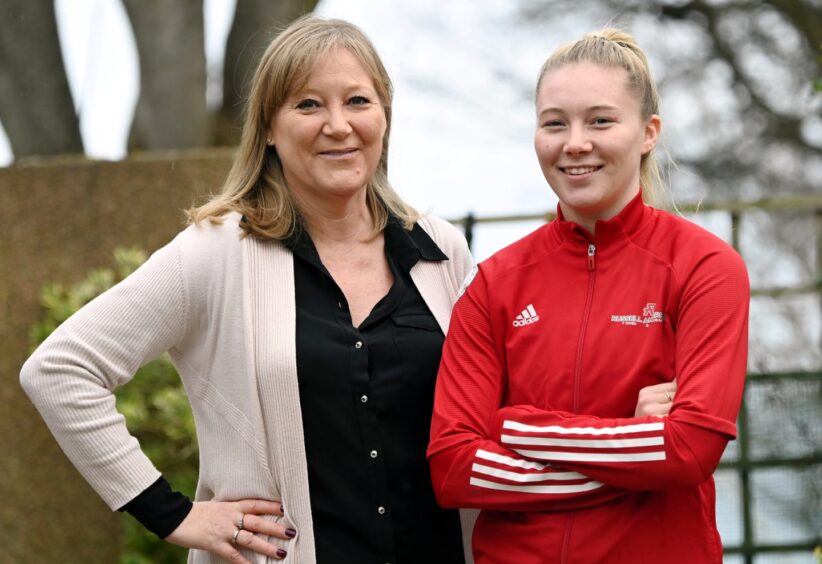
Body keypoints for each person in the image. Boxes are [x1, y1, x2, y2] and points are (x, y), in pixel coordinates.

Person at [21, 16, 474, 564]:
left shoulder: (441, 251)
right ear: (266, 128)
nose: (338, 125)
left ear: (384, 116)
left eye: (358, 101)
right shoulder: (218, 252)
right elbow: (60, 369)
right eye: (308, 105)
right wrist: (174, 514)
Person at [428, 28, 749, 563]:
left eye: (600, 120)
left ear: (648, 133)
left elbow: (689, 450)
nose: (575, 143)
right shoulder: (494, 283)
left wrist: (513, 424)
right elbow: (453, 467)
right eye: (555, 123)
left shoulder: (705, 268)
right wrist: (630, 441)